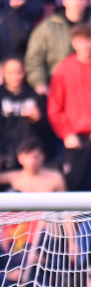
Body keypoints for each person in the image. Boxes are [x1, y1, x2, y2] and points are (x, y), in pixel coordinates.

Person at [47, 23, 91, 190]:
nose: (85, 45)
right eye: (80, 41)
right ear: (74, 43)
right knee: (74, 187)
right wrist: (67, 134)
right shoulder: (63, 69)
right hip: (74, 140)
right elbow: (54, 108)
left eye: (88, 40)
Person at [0, 58, 50, 165]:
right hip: (5, 150)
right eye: (10, 73)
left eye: (19, 73)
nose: (15, 77)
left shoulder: (32, 94)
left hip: (30, 150)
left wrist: (38, 118)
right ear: (3, 74)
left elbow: (45, 127)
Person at [26, 0, 87, 95]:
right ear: (64, 1)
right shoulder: (48, 27)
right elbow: (34, 59)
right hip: (57, 87)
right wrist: (39, 83)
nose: (76, 3)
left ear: (87, 1)